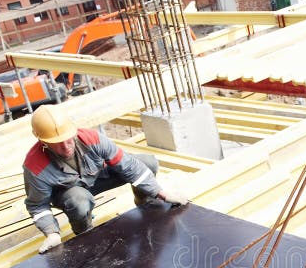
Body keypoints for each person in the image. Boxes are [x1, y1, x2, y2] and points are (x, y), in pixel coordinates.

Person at [23, 105, 189, 254]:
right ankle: (86, 234)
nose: (66, 147)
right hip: (70, 194)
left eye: (68, 140)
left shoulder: (91, 139)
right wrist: (52, 233)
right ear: (43, 141)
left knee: (147, 163)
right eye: (58, 143)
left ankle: (145, 204)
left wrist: (162, 193)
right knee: (79, 201)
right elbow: (38, 205)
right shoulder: (35, 165)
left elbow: (129, 165)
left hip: (97, 178)